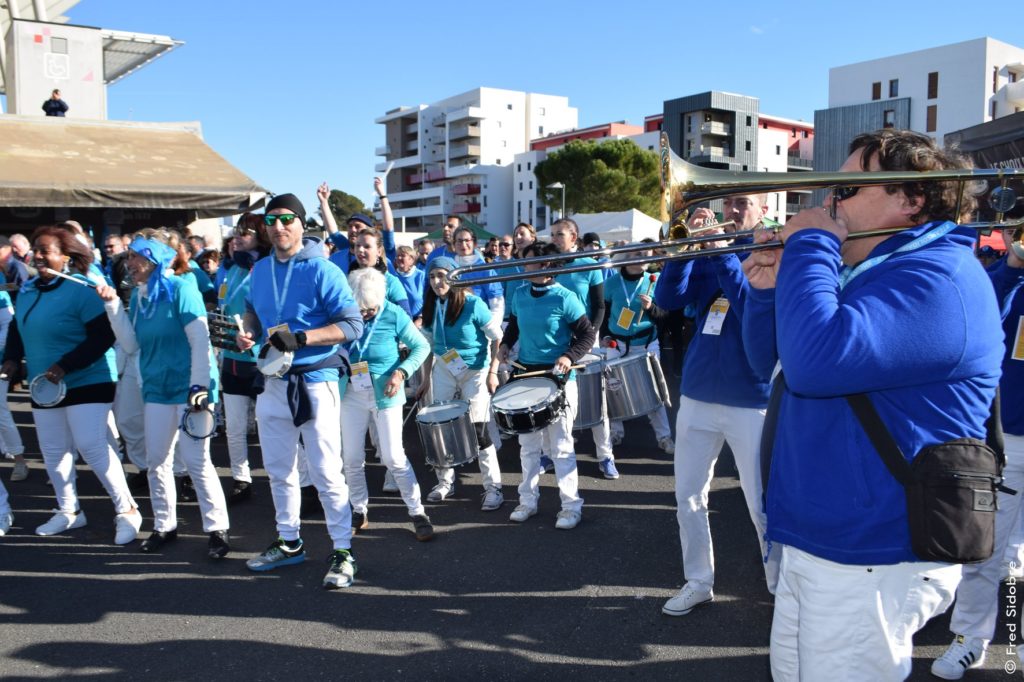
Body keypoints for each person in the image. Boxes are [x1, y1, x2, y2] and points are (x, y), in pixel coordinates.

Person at [740, 129, 1002, 680]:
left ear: (913, 200)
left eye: (850, 187)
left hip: (873, 548)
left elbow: (817, 365)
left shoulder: (938, 279)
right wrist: (768, 292)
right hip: (822, 533)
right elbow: (770, 363)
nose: (830, 200)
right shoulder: (865, 273)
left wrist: (809, 246)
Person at [653, 193, 778, 617]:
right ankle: (698, 581)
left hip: (751, 397)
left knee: (760, 501)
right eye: (728, 205)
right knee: (687, 496)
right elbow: (669, 300)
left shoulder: (772, 250)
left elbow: (749, 306)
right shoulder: (712, 252)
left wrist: (723, 255)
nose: (732, 211)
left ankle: (779, 586)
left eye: (743, 203)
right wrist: (682, 250)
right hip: (698, 392)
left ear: (764, 209)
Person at [237, 193, 364, 590]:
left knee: (326, 471)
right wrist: (249, 332)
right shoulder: (258, 271)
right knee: (278, 471)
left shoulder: (323, 269)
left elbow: (352, 325)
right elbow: (254, 312)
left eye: (287, 219)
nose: (278, 226)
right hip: (272, 381)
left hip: (315, 380)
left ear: (301, 223)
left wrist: (303, 338)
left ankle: (343, 551)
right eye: (271, 220)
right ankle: (289, 542)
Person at [1, 225, 141, 544]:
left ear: (65, 256)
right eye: (35, 249)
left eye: (45, 250)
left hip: (88, 378)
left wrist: (66, 365)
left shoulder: (83, 287)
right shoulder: (29, 289)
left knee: (91, 444)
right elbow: (17, 330)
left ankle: (128, 510)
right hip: (45, 383)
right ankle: (69, 512)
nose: (38, 256)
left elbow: (103, 336)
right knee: (53, 450)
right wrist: (11, 358)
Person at [96, 232, 230, 558]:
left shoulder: (182, 289)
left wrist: (199, 386)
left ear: (154, 258)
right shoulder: (141, 296)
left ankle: (217, 529)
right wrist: (112, 305)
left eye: (134, 257)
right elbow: (131, 345)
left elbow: (199, 341)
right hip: (156, 388)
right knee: (157, 461)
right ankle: (164, 525)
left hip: (190, 389)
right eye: (127, 258)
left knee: (197, 461)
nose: (129, 264)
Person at [930, 226, 1024, 680]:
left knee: (1016, 554)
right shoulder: (1012, 282)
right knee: (988, 549)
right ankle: (971, 636)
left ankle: (1015, 640)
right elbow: (986, 312)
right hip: (1016, 439)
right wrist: (1012, 266)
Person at [498, 241, 596, 530]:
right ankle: (527, 501)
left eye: (528, 262)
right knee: (527, 446)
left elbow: (587, 335)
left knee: (561, 446)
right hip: (526, 375)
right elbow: (514, 325)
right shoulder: (519, 293)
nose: (523, 266)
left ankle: (570, 506)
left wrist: (569, 355)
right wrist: (505, 344)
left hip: (558, 378)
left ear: (545, 266)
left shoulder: (565, 297)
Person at [340, 268, 432, 540]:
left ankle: (417, 511)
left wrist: (401, 372)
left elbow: (421, 347)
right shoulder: (346, 312)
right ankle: (358, 509)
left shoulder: (393, 313)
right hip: (351, 392)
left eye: (369, 310)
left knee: (393, 456)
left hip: (387, 393)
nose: (364, 314)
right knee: (352, 458)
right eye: (360, 310)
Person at [417, 256, 504, 509]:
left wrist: (492, 372)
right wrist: (424, 380)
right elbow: (429, 346)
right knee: (439, 426)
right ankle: (445, 482)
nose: (436, 281)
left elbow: (497, 339)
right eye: (432, 276)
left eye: (442, 275)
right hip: (444, 368)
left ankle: (493, 488)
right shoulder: (431, 305)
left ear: (454, 277)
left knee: (479, 430)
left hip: (475, 371)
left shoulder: (474, 304)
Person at [549, 218, 616, 479]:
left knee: (596, 401)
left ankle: (605, 455)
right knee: (552, 398)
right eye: (552, 234)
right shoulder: (549, 265)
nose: (554, 238)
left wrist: (591, 334)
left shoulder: (591, 265)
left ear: (574, 237)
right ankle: (548, 454)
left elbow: (599, 305)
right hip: (554, 343)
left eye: (560, 234)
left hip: (585, 340)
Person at [601, 241, 673, 454]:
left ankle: (664, 437)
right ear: (626, 257)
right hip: (617, 343)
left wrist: (651, 309)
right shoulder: (612, 283)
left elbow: (666, 316)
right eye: (637, 253)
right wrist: (604, 335)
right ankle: (615, 432)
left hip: (647, 343)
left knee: (655, 390)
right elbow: (603, 312)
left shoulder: (655, 280)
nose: (642, 256)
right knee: (614, 390)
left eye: (645, 253)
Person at [217, 214, 270, 505]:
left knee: (269, 425)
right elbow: (224, 301)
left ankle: (292, 478)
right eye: (237, 232)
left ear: (260, 235)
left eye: (245, 232)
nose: (238, 237)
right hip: (230, 356)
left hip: (260, 359)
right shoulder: (232, 268)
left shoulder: (265, 268)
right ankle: (240, 478)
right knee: (234, 427)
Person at [332, 228, 410, 315]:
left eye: (367, 246)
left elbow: (406, 317)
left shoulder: (391, 282)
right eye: (357, 245)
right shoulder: (346, 280)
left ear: (379, 251)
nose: (360, 250)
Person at [0, 289, 27, 482]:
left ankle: (19, 460)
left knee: (0, 412)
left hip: (2, 362)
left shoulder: (2, 298)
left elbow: (8, 329)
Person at [393, 245, 425, 324]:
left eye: (403, 256)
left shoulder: (421, 276)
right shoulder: (393, 277)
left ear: (411, 259)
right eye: (398, 256)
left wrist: (421, 318)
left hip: (419, 322)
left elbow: (430, 301)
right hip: (398, 321)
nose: (399, 258)